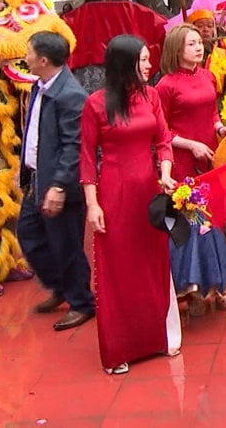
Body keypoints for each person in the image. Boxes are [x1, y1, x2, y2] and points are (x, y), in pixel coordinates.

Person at [80, 34, 181, 374]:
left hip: (149, 191)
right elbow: (85, 160)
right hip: (114, 191)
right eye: (142, 60)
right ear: (124, 65)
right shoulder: (95, 104)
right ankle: (118, 348)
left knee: (153, 263)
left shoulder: (151, 96)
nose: (149, 65)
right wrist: (93, 205)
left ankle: (157, 337)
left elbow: (163, 140)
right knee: (118, 270)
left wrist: (165, 174)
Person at [155, 24, 226, 315]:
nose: (199, 47)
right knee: (191, 226)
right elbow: (160, 133)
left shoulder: (208, 75)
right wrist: (190, 144)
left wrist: (222, 127)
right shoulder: (165, 86)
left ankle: (220, 285)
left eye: (199, 42)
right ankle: (192, 290)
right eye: (191, 43)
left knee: (214, 222)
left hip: (210, 156)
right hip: (182, 162)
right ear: (176, 50)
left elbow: (212, 113)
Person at [17, 31, 95, 331]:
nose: (26, 57)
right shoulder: (40, 86)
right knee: (30, 236)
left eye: (29, 52)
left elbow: (74, 146)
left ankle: (82, 302)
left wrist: (60, 186)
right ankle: (60, 285)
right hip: (37, 179)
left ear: (44, 59)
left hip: (58, 184)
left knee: (66, 245)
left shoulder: (70, 94)